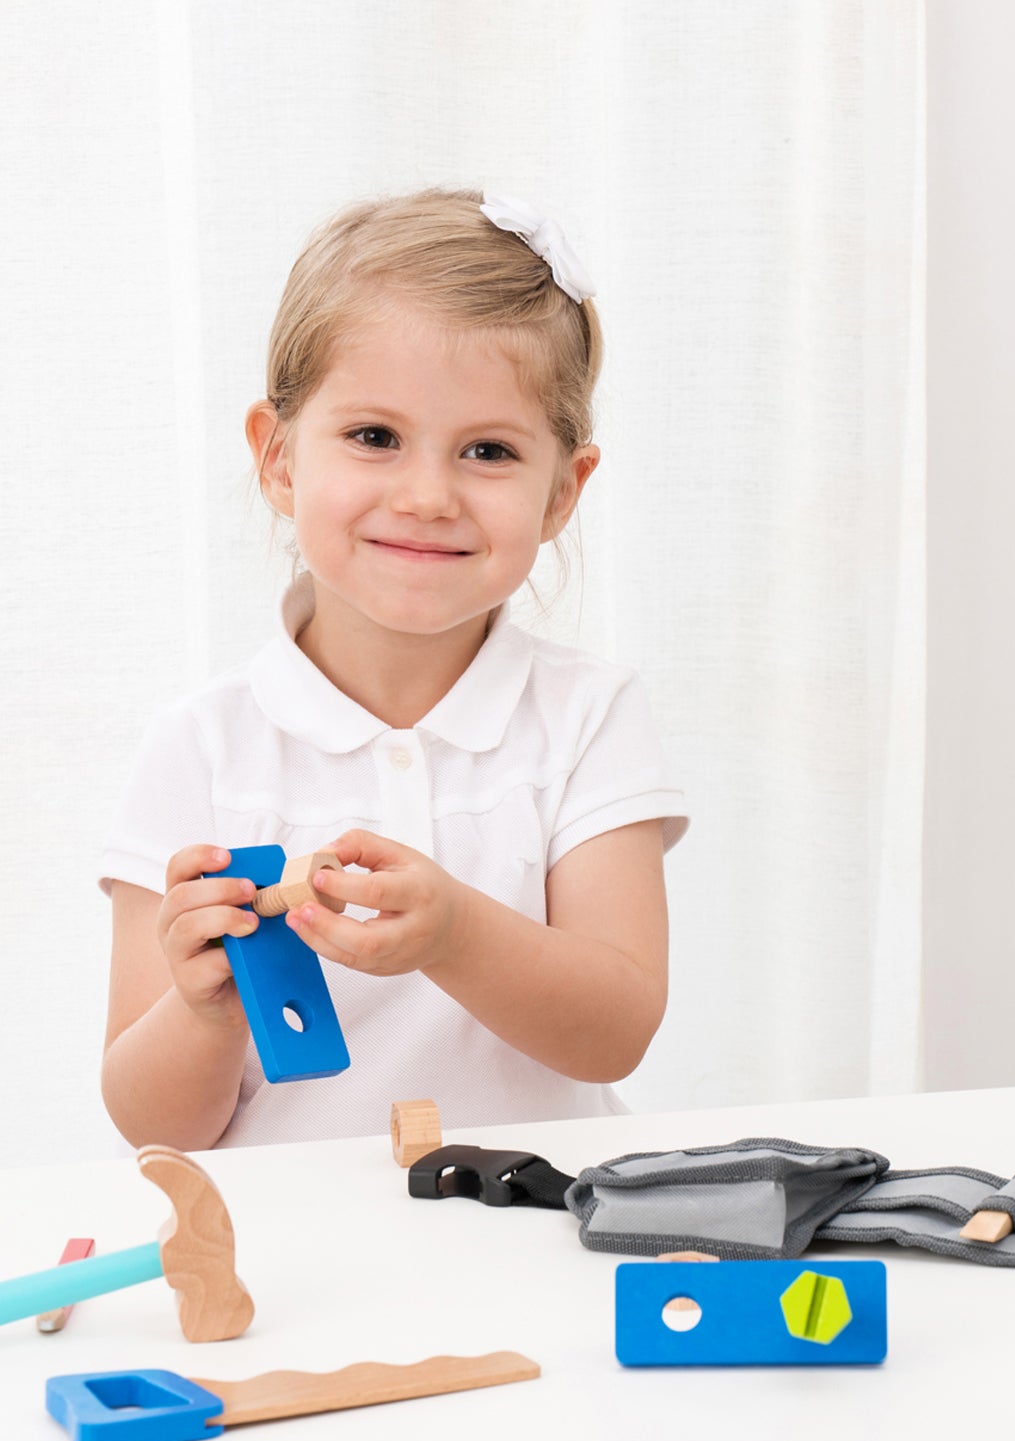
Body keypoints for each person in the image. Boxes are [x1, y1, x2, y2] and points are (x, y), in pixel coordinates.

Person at [99, 188, 688, 1151]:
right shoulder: (200, 747)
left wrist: (457, 933)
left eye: (488, 451)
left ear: (561, 492)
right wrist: (203, 1013)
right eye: (375, 437)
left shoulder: (588, 715)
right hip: (288, 1255)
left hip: (530, 1227)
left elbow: (615, 1033)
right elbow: (151, 1125)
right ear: (279, 458)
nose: (426, 496)